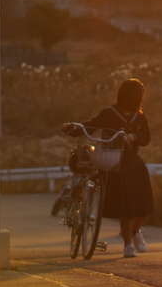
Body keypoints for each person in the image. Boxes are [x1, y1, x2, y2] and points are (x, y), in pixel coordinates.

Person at [62, 78, 154, 258]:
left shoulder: (140, 116)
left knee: (145, 204)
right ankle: (128, 244)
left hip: (132, 162)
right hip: (112, 162)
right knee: (127, 206)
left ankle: (135, 231)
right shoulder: (110, 113)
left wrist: (134, 137)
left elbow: (146, 137)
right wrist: (73, 128)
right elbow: (91, 125)